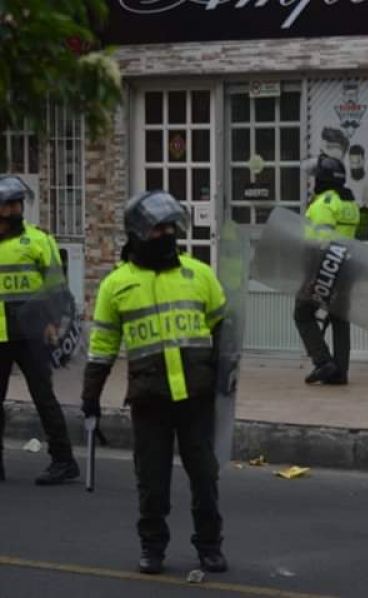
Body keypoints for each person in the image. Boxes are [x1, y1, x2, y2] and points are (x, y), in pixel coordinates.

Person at [81, 190, 228, 575]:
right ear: (137, 233)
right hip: (149, 399)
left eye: (170, 227)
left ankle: (209, 546)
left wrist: (223, 379)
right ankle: (152, 547)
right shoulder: (116, 284)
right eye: (157, 228)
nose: (166, 234)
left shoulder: (199, 274)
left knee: (205, 478)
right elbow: (103, 345)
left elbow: (222, 328)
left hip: (196, 397)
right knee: (151, 482)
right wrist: (90, 396)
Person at [0, 174, 79, 485]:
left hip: (32, 335)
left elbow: (56, 289)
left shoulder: (37, 240)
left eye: (17, 204)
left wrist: (53, 323)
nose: (14, 211)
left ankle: (63, 460)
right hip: (0, 336)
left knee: (44, 398)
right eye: (8, 206)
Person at [294, 155, 360, 385]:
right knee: (340, 318)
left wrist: (313, 276)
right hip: (346, 267)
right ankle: (339, 372)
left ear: (324, 179)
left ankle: (323, 362)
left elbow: (322, 242)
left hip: (325, 267)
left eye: (316, 177)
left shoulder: (324, 203)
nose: (313, 182)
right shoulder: (349, 203)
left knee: (302, 313)